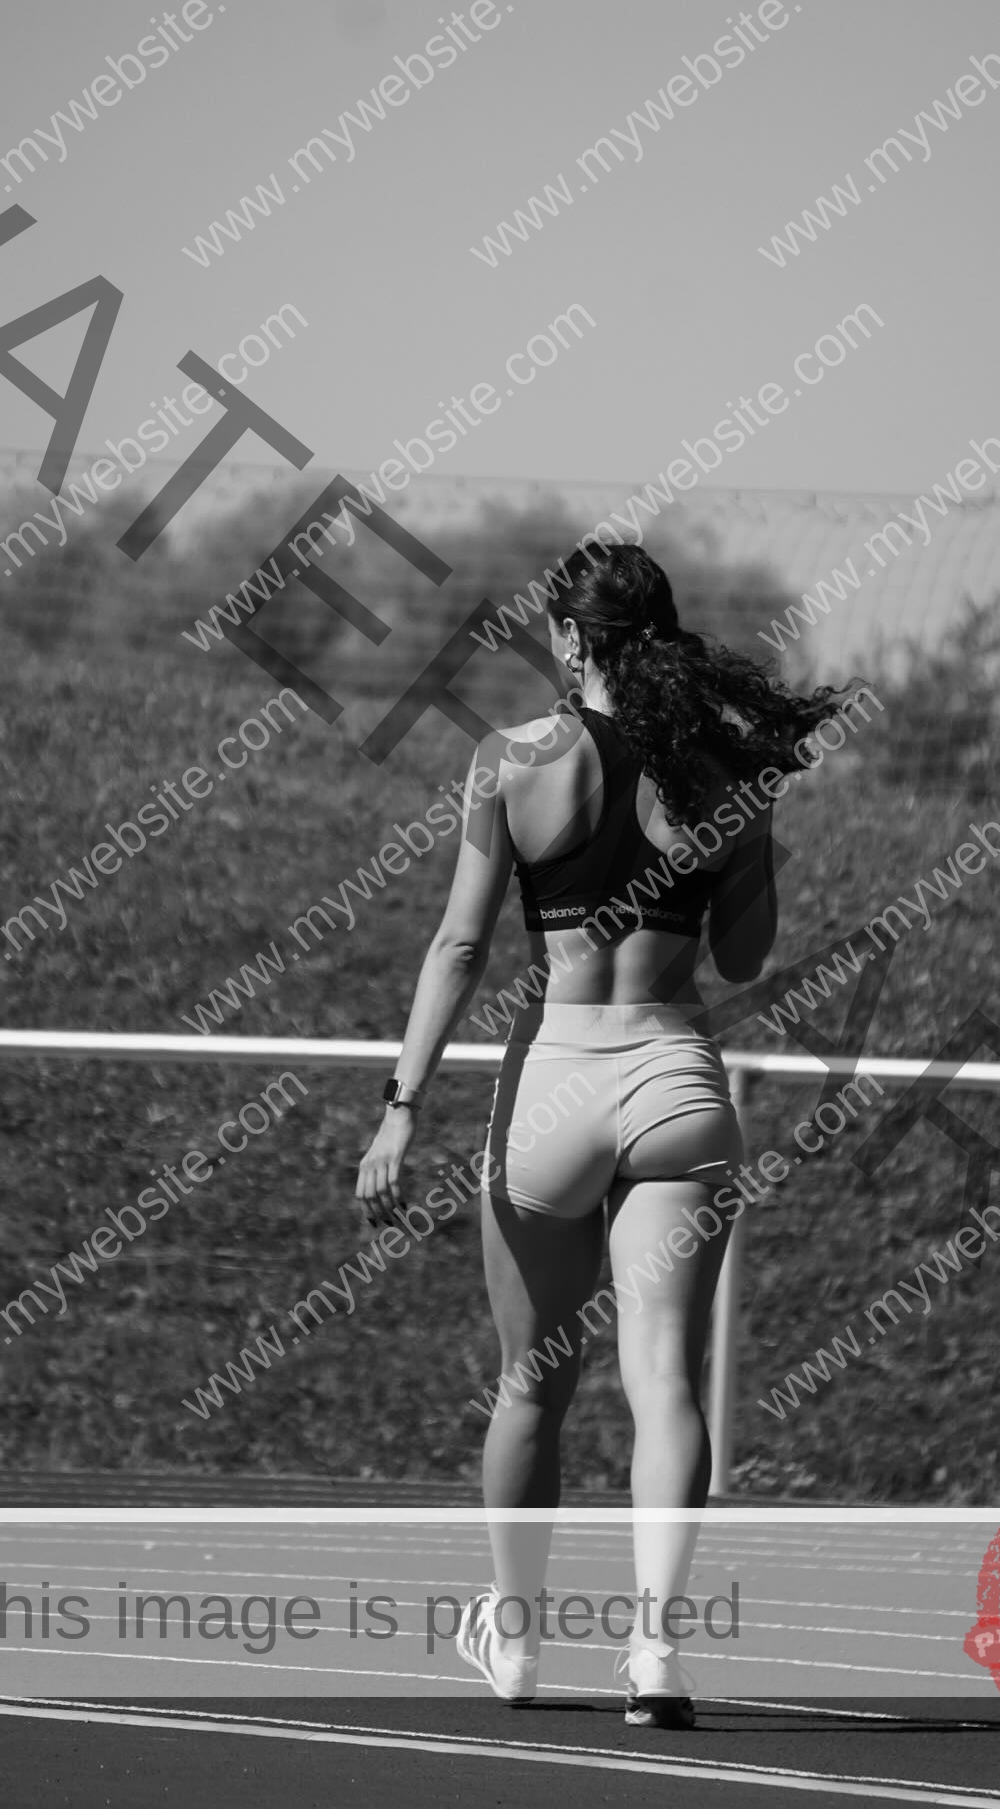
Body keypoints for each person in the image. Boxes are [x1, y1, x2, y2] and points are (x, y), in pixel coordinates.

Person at [356, 539, 855, 1726]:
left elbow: (461, 949)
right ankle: (654, 1658)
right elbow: (741, 958)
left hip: (558, 1085)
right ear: (663, 637)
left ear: (571, 639)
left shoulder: (511, 759)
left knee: (533, 1384)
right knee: (665, 1384)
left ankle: (518, 1643)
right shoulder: (726, 771)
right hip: (678, 1082)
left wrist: (401, 1107)